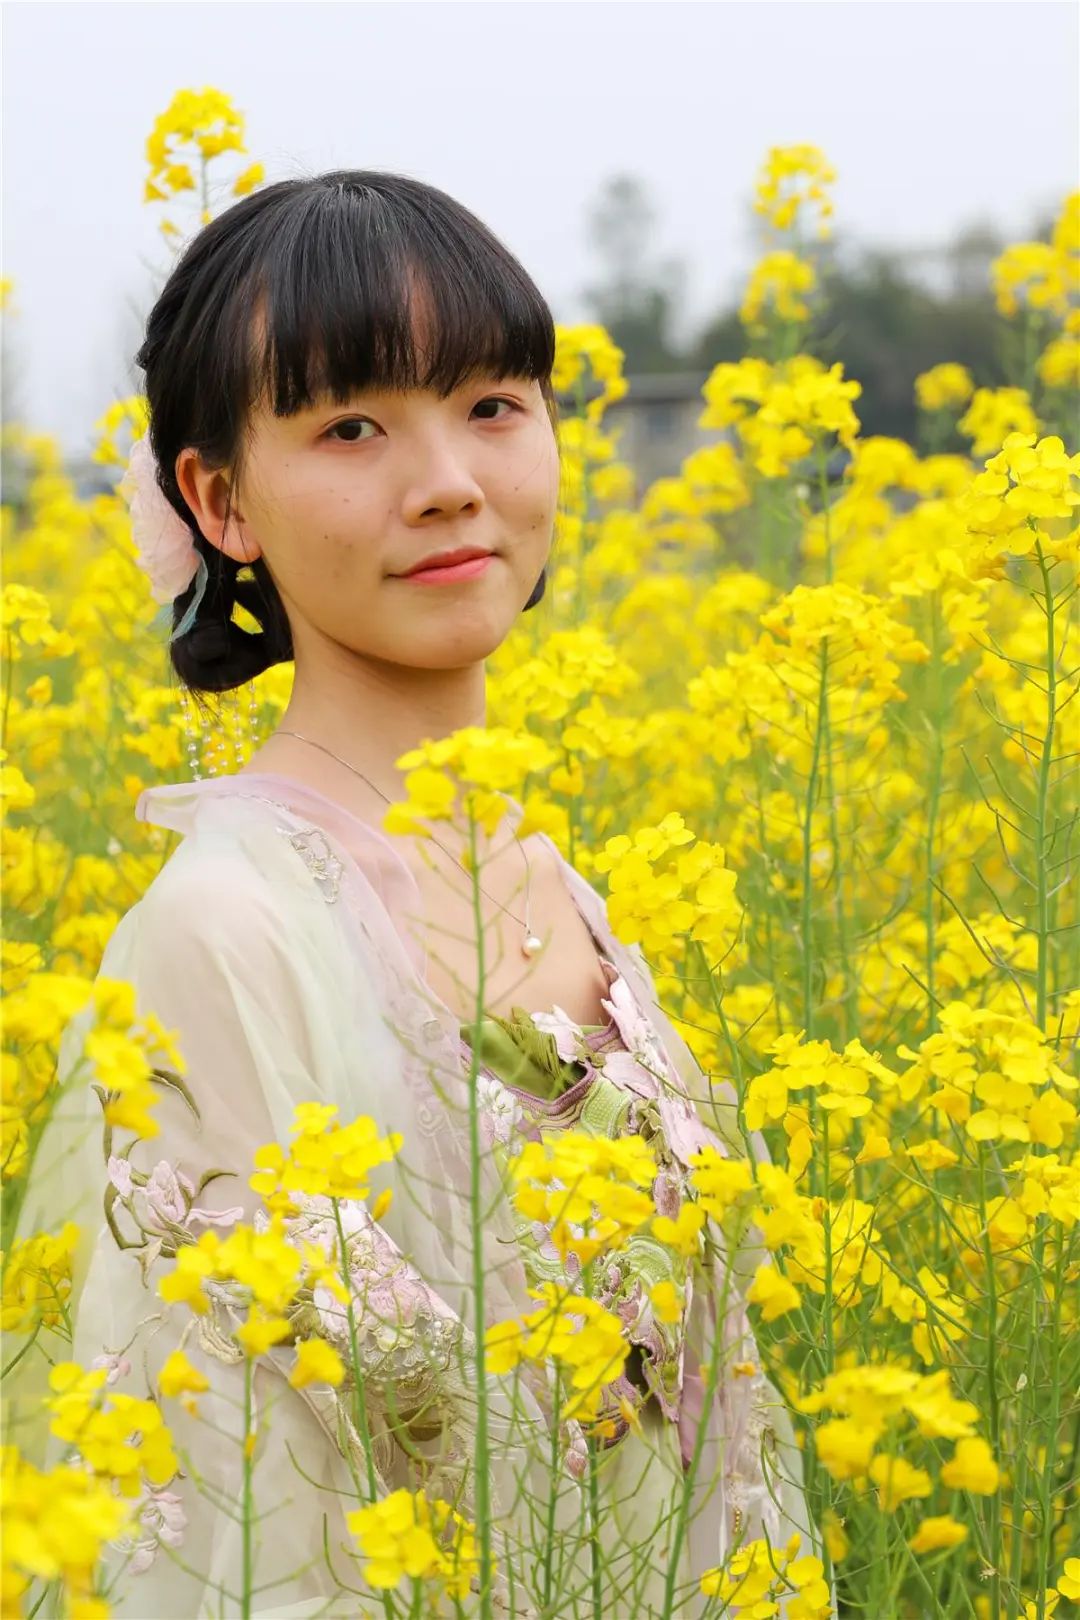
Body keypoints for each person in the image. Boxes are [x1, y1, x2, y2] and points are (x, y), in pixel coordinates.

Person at [11, 172, 815, 1618]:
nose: (447, 479)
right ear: (219, 502)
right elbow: (224, 1525)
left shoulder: (560, 880)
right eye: (351, 427)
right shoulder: (225, 932)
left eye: (494, 404)